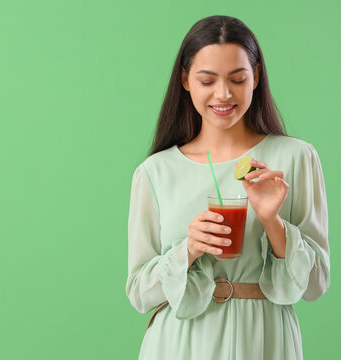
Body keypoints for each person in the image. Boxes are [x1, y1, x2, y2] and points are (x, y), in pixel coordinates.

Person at [126, 15, 330, 360]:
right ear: (185, 80)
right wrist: (187, 250)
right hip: (178, 344)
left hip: (264, 341)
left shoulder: (295, 158)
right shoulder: (155, 171)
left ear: (257, 77)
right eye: (207, 80)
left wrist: (273, 223)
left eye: (237, 79)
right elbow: (139, 293)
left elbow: (315, 285)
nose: (223, 94)